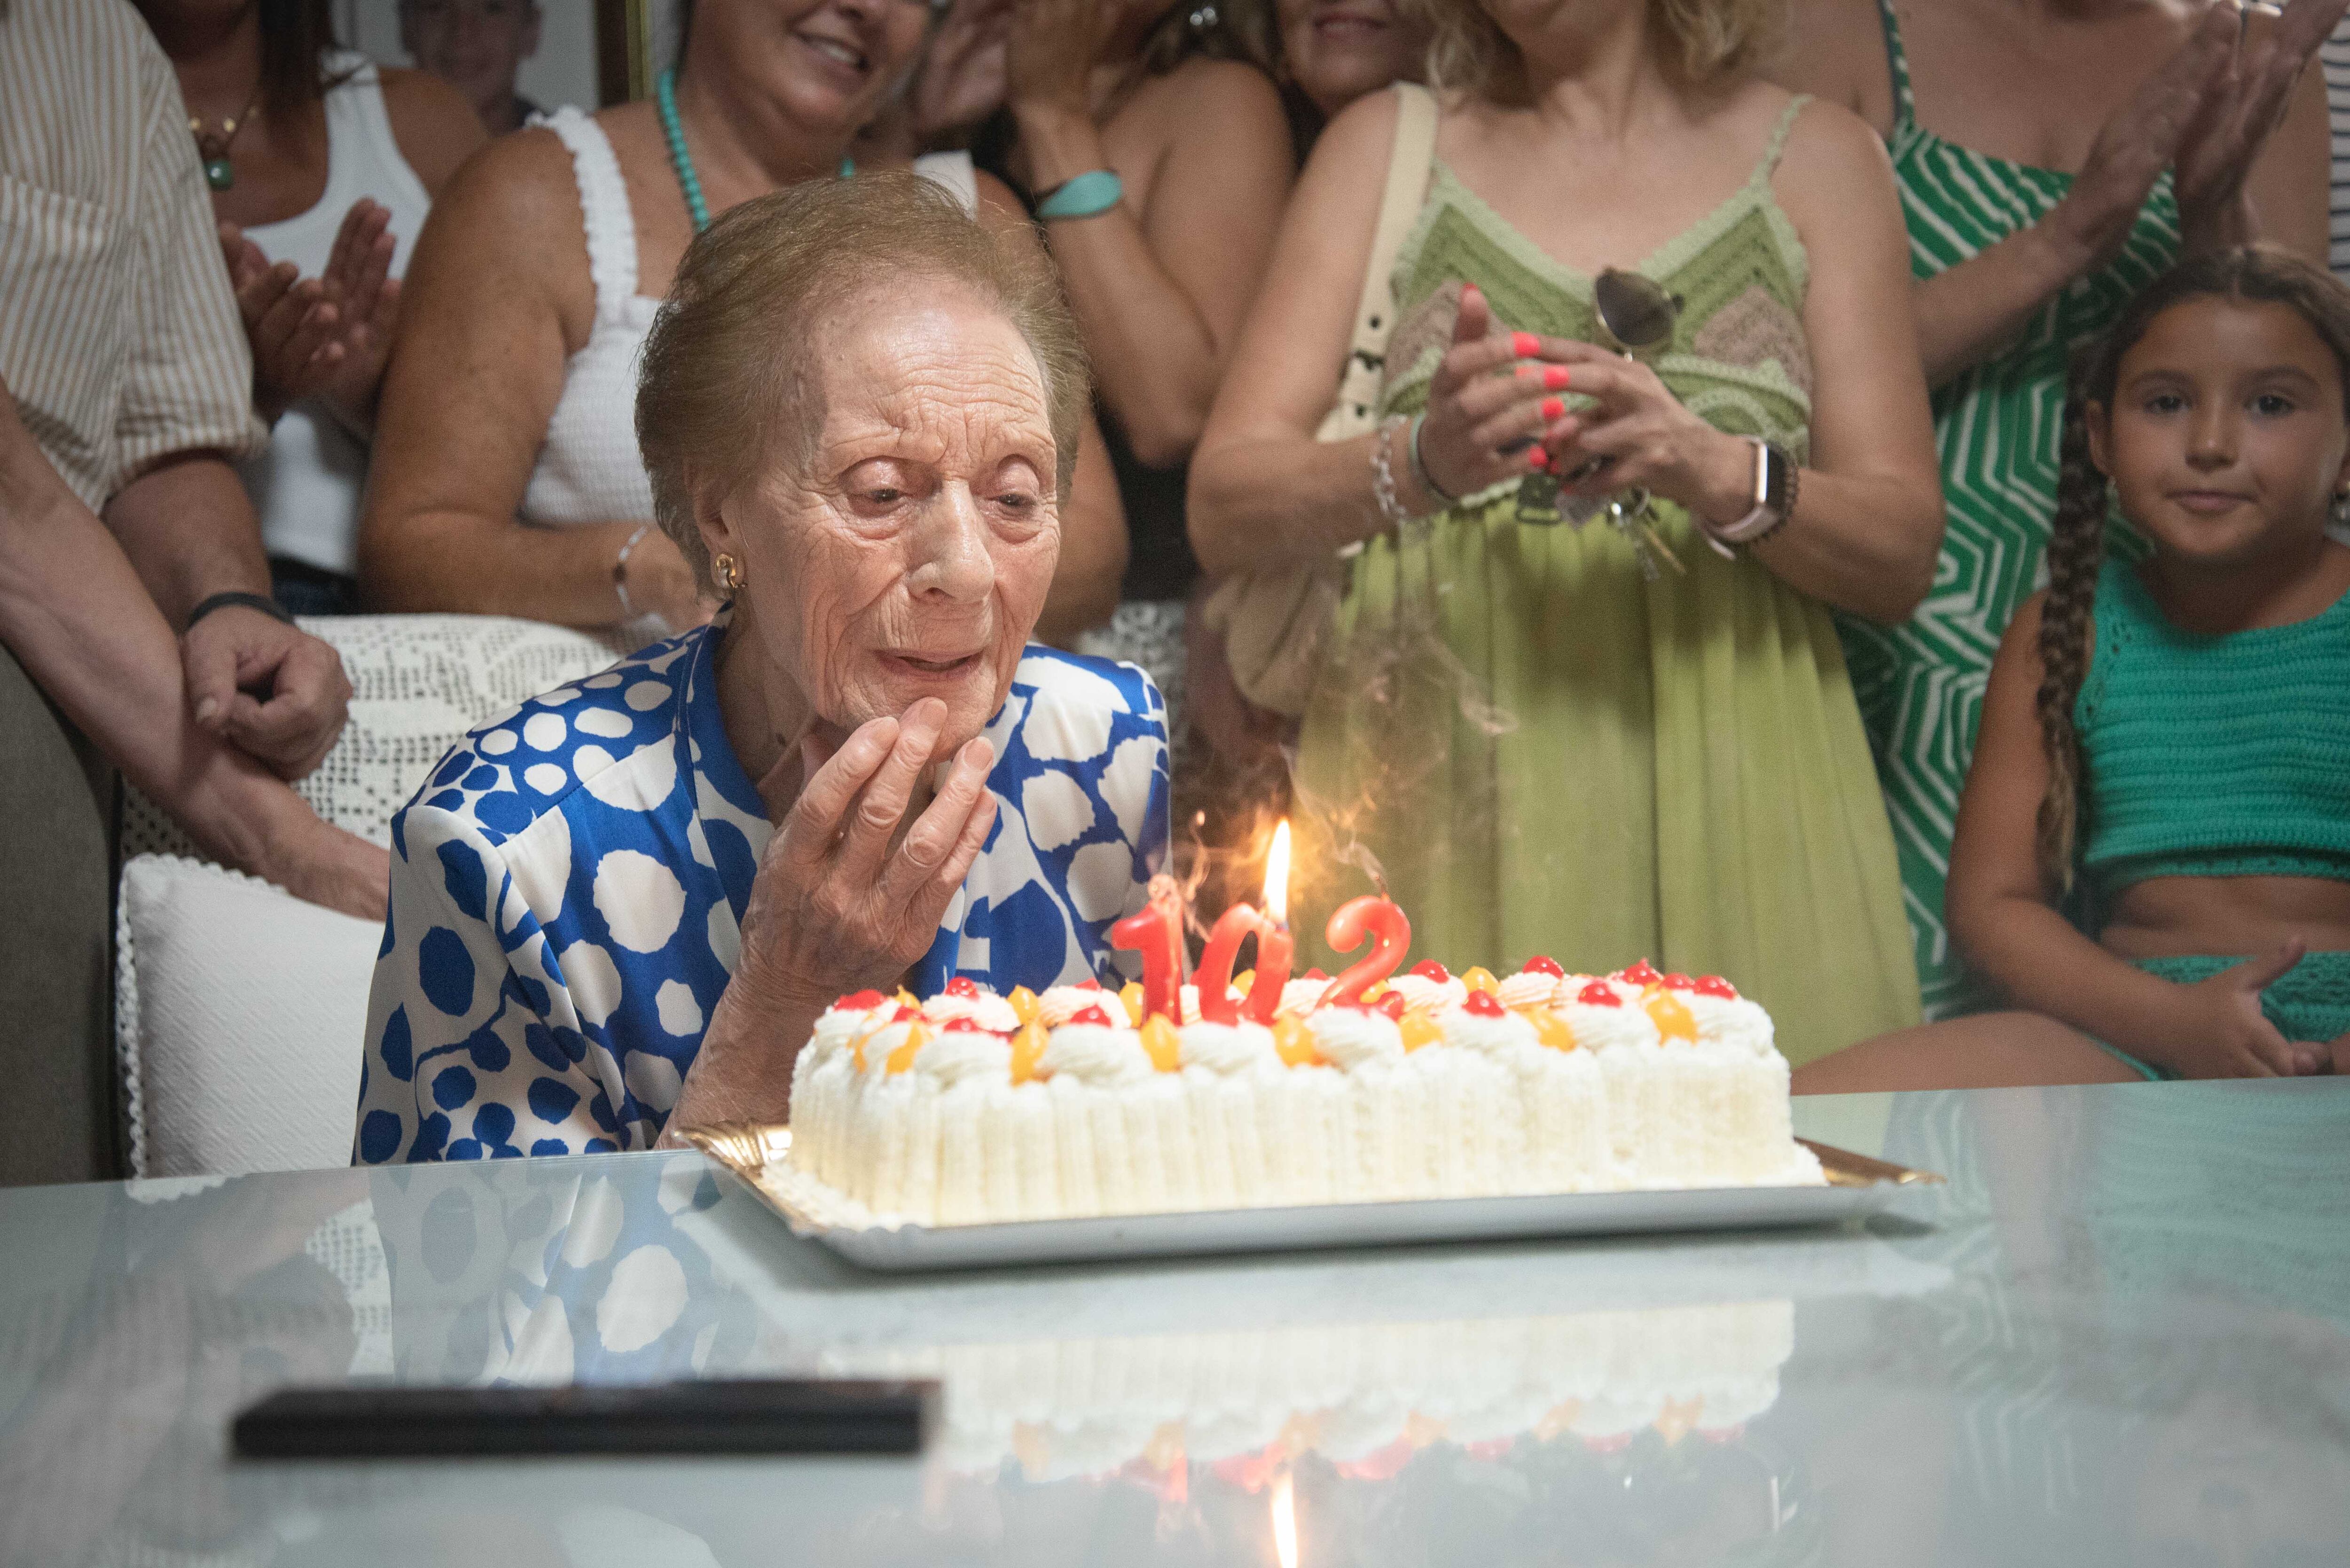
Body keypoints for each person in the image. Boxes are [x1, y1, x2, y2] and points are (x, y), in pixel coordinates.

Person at [1188, 0, 1946, 1064]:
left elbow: (1902, 546)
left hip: (1740, 776)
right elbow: (1222, 501)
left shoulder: (1818, 156)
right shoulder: (1388, 146)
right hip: (1438, 779)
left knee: (1773, 1179)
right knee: (1422, 1172)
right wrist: (1423, 462)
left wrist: (1715, 467)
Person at [355, 175, 1170, 1163]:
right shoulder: (509, 851)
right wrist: (782, 1001)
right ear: (720, 515)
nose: (964, 570)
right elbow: (498, 1318)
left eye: (1014, 497)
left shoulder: (1104, 752)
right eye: (880, 491)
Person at [1770, 0, 2339, 1018]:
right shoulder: (1842, 30)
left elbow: (2280, 376)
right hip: (1886, 634)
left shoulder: (2256, 65)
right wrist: (2074, 231)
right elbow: (1764, 396)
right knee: (1877, 1084)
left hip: (2154, 664)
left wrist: (2208, 214)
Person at [360, 0, 1126, 648]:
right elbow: (410, 546)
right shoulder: (534, 198)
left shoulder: (976, 220)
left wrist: (853, 591)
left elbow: (1090, 549)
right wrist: (636, 564)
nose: (867, 7)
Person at [1796, 248, 2350, 1092]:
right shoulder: (2069, 631)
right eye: (2165, 403)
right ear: (2099, 436)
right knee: (1805, 1109)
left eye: (2270, 405)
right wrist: (2174, 1023)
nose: (2209, 443)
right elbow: (1994, 908)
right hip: (2138, 1025)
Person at [0, 0, 388, 1183]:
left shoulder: (103, 48)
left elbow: (164, 437)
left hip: (66, 655)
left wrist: (234, 605)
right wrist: (282, 836)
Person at [914, 0, 1296, 606]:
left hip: (1125, 615)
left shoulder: (1216, 99)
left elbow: (1170, 415)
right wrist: (915, 124)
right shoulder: (964, 91)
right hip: (944, 576)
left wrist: (1053, 117)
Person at [134, 0, 486, 617]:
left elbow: (526, 432)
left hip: (398, 603)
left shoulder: (422, 123)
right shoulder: (46, 128)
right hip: (141, 604)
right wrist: (238, 387)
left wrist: (373, 390)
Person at [400, 0, 545, 135]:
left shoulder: (565, 156)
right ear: (408, 24)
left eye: (492, 8)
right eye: (437, 7)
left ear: (530, 30)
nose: (462, 31)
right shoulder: (377, 151)